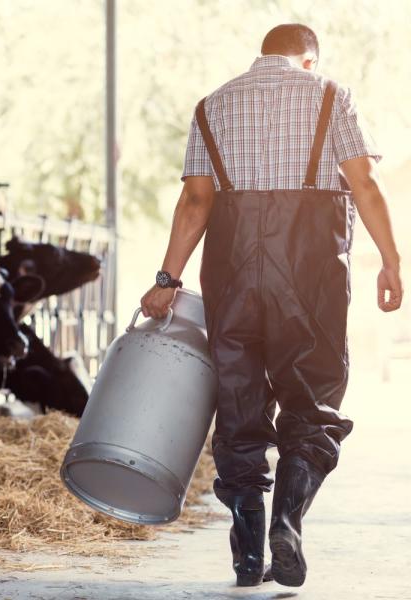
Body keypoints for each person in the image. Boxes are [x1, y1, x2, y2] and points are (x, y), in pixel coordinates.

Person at [140, 24, 403, 588]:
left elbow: (195, 201)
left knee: (239, 401)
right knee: (313, 397)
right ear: (309, 61)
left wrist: (168, 278)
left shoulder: (213, 106)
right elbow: (366, 184)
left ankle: (246, 549)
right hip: (309, 274)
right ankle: (287, 519)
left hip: (231, 272)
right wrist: (391, 261)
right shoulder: (331, 95)